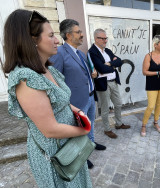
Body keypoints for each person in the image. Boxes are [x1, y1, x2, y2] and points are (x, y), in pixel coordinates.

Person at [2, 9, 92, 187]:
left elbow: (60, 100)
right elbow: (50, 129)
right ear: (32, 40)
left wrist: (77, 111)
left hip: (68, 145)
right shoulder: (26, 78)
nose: (57, 40)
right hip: (54, 154)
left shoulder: (48, 70)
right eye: (51, 35)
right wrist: (84, 131)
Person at [50, 19, 106, 169]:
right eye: (78, 32)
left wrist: (91, 75)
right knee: (79, 130)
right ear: (68, 35)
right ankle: (82, 155)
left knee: (90, 125)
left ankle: (91, 144)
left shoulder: (80, 53)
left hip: (89, 97)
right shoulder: (60, 53)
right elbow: (54, 82)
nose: (82, 34)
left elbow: (82, 73)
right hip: (75, 102)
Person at [88, 28, 130, 139]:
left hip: (113, 82)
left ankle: (119, 124)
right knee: (105, 108)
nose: (105, 41)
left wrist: (110, 63)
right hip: (103, 84)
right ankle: (107, 129)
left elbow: (120, 61)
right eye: (103, 38)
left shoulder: (107, 51)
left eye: (106, 38)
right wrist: (112, 65)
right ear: (96, 39)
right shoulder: (92, 52)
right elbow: (101, 69)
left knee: (118, 103)